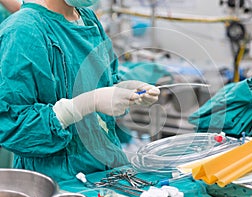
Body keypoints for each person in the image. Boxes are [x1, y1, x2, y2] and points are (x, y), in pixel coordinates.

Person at [0, 0, 160, 182]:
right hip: (57, 179)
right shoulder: (23, 30)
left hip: (108, 166)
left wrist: (123, 91)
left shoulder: (88, 19)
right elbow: (12, 125)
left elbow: (103, 79)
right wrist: (83, 105)